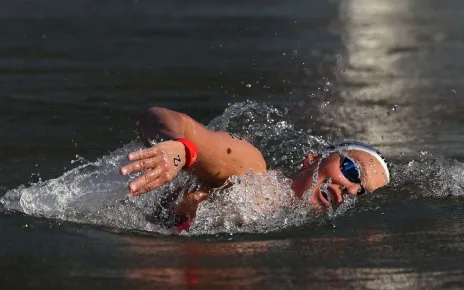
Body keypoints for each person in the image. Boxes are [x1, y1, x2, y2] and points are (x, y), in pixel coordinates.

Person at [119, 107, 391, 231]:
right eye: (352, 171)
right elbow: (160, 117)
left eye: (361, 192)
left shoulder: (295, 232)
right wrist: (181, 149)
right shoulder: (250, 170)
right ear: (313, 158)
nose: (351, 188)